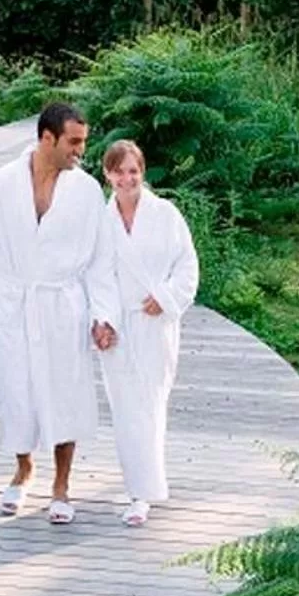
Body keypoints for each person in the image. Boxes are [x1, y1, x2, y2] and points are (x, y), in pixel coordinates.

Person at [0, 101, 120, 525]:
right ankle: (23, 469)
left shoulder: (87, 190)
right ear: (47, 138)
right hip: (16, 301)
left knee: (65, 392)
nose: (80, 151)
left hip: (63, 303)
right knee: (17, 390)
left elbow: (100, 259)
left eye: (83, 142)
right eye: (73, 142)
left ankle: (61, 486)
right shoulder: (0, 184)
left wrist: (103, 315)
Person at [97, 139, 200, 528]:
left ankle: (144, 491)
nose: (127, 178)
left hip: (155, 323)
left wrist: (165, 296)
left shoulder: (166, 214)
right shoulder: (101, 221)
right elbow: (97, 275)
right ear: (107, 174)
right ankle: (137, 488)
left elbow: (187, 266)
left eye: (133, 171)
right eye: (119, 171)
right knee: (125, 409)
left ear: (143, 171)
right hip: (118, 324)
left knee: (150, 403)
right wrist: (102, 320)